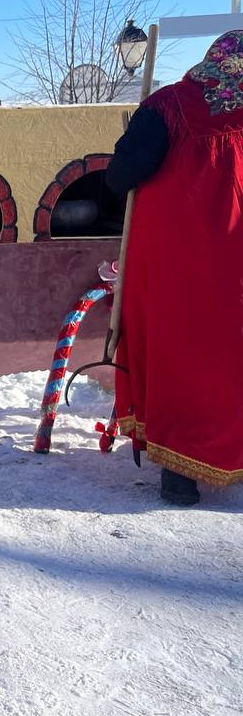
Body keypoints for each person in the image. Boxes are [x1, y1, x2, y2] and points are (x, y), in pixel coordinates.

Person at [107, 30, 243, 504]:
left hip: (174, 261)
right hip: (236, 266)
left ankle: (178, 472)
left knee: (176, 348)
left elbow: (122, 176)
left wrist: (127, 145)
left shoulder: (169, 105)